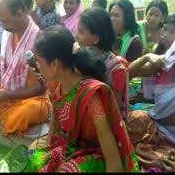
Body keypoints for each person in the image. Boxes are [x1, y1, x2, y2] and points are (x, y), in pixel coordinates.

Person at [26, 25, 139, 173]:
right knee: (39, 162)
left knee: (68, 170)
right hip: (74, 145)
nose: (37, 66)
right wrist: (48, 151)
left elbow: (114, 162)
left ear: (54, 64)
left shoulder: (90, 96)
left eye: (38, 61)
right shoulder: (55, 84)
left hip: (98, 154)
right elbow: (55, 118)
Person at [0, 0, 51, 135]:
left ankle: (9, 116)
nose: (2, 27)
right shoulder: (9, 33)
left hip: (32, 99)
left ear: (20, 13)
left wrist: (10, 94)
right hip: (8, 91)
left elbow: (42, 86)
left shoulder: (38, 39)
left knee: (32, 110)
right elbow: (7, 61)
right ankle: (8, 114)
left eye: (5, 21)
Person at [127, 14, 175, 172]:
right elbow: (127, 74)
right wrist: (146, 57)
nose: (165, 35)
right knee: (128, 121)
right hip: (157, 125)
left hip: (171, 136)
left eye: (172, 32)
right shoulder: (163, 61)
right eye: (165, 29)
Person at [76, 8, 129, 120]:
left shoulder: (116, 69)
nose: (76, 36)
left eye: (81, 33)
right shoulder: (79, 56)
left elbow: (114, 109)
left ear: (95, 38)